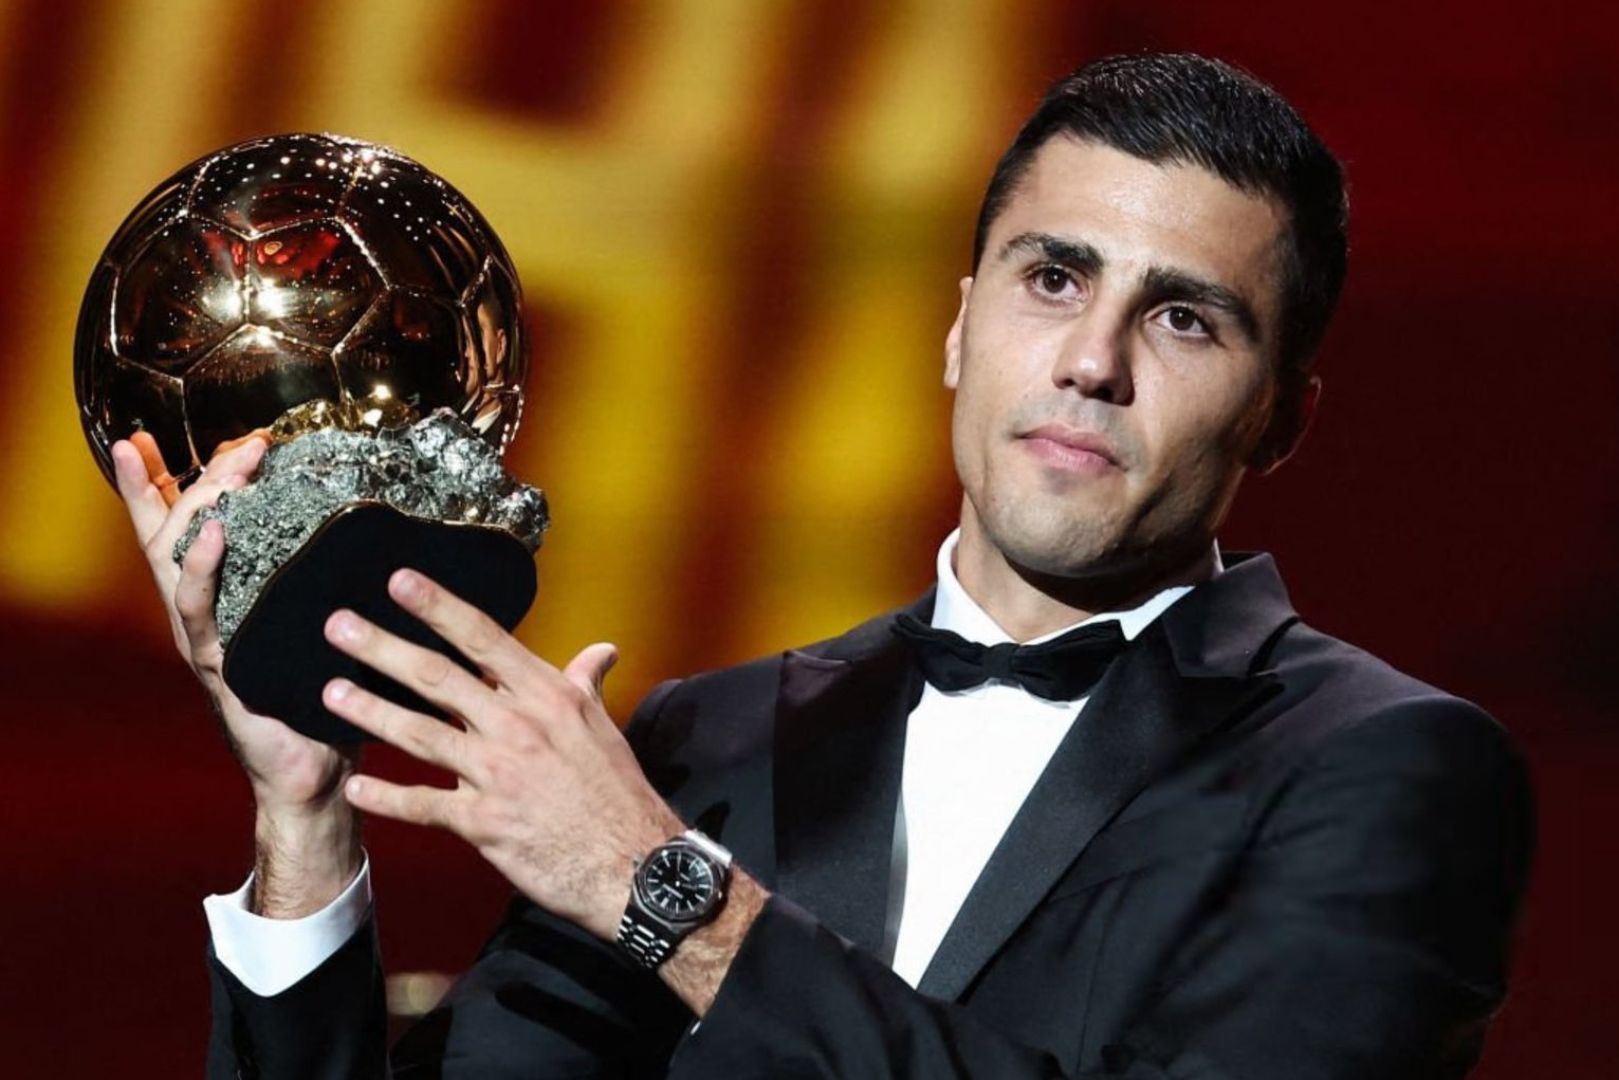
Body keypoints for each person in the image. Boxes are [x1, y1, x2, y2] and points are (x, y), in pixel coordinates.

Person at [114, 52, 1534, 1078]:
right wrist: (303, 823)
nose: (1091, 362)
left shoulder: (1391, 770)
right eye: (1054, 279)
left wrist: (669, 897)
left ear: (1281, 416)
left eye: (1185, 321)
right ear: (961, 327)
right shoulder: (704, 739)